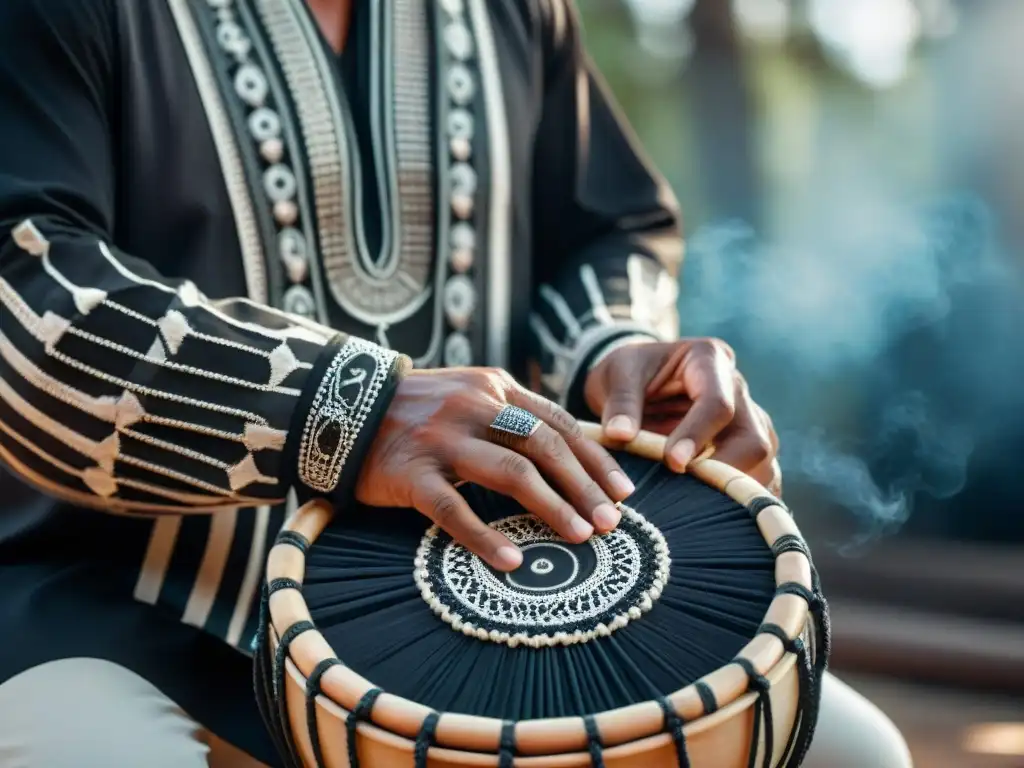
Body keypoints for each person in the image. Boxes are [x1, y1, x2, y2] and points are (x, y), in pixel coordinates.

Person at [0, 0, 911, 766]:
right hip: (113, 619)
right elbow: (23, 287)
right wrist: (353, 410)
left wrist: (612, 358)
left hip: (492, 613)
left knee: (854, 754)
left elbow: (603, 231)